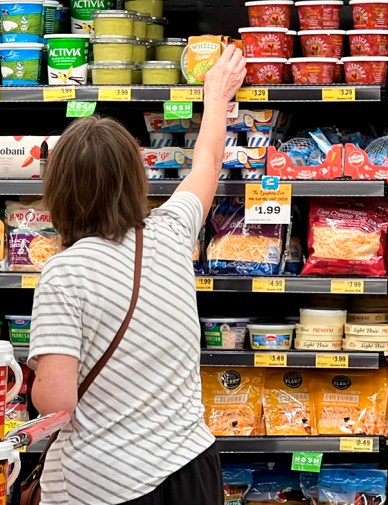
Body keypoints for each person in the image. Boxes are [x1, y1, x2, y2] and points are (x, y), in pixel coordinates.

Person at [28, 45, 247, 505]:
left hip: (108, 483)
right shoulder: (171, 232)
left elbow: (55, 402)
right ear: (136, 179)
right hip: (191, 467)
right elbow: (205, 162)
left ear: (58, 191)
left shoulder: (65, 273)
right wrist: (216, 95)